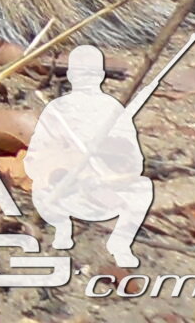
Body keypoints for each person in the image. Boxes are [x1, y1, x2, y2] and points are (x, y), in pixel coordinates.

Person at [26, 43, 152, 267]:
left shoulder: (112, 107)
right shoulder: (58, 107)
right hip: (64, 188)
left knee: (143, 188)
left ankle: (120, 243)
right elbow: (35, 154)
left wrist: (111, 165)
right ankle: (62, 230)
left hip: (105, 187)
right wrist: (61, 167)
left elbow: (134, 157)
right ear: (71, 75)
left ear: (101, 75)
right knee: (40, 188)